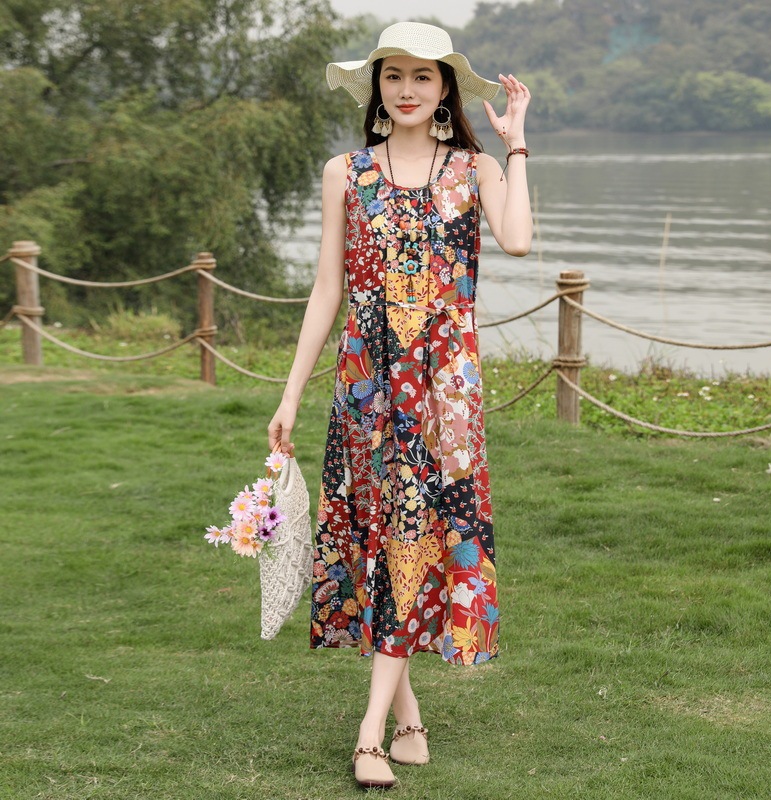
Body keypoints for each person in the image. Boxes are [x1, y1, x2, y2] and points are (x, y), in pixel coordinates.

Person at [268, 20, 532, 790]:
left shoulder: (475, 167)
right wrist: (291, 393)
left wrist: (516, 144)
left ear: (445, 88)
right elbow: (328, 288)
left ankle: (370, 732)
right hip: (366, 383)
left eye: (423, 76)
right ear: (376, 87)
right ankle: (408, 720)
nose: (407, 90)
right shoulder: (344, 173)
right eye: (394, 76)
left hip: (446, 387)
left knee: (419, 532)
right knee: (384, 538)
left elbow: (517, 240)